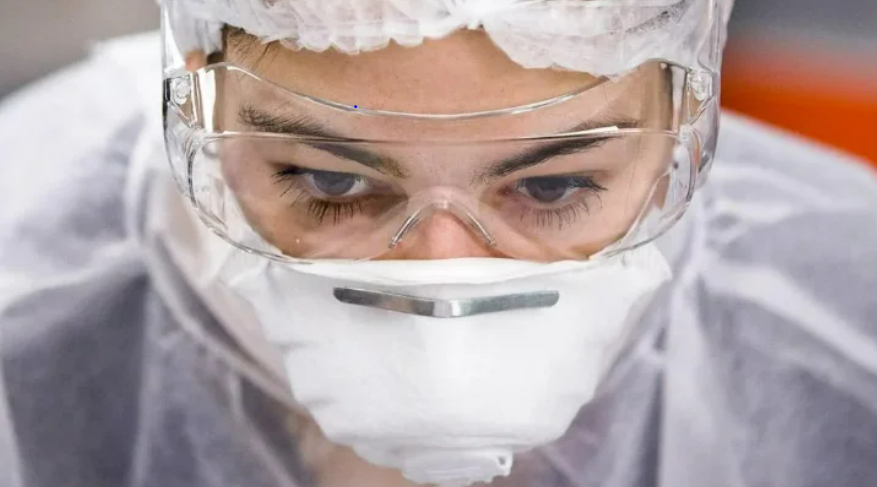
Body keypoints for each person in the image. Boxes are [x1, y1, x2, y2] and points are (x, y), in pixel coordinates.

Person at [1, 0, 876, 486]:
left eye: (552, 187)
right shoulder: (25, 278)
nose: (437, 278)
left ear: (682, 118)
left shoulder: (842, 313)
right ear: (202, 98)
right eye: (331, 183)